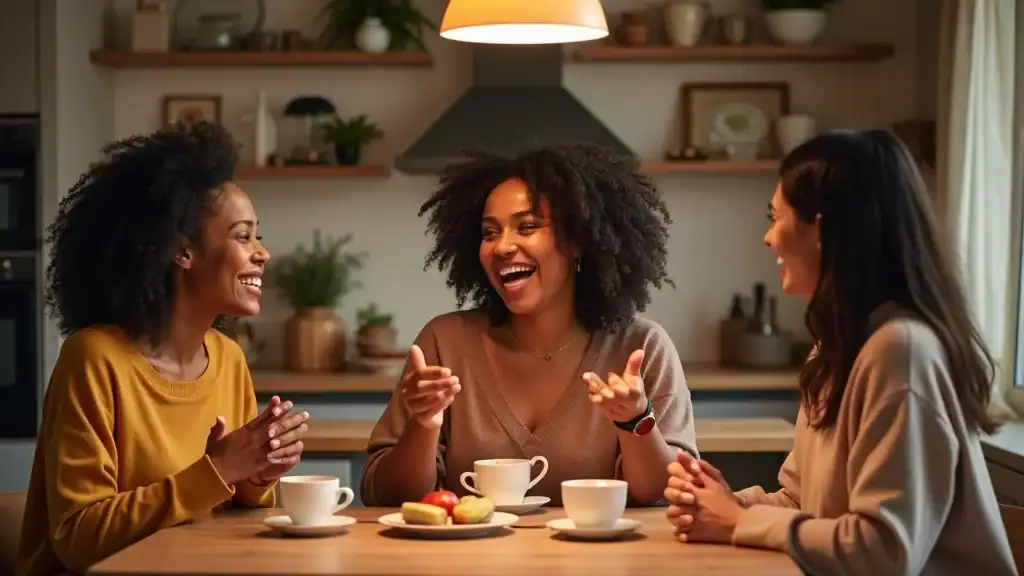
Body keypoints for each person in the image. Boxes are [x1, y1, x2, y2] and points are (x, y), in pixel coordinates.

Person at [663, 130, 1018, 575]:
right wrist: (724, 503)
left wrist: (739, 520)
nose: (767, 238)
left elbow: (884, 551)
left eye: (776, 217)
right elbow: (799, 502)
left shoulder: (900, 351)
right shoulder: (835, 347)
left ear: (822, 229)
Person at [16, 122, 309, 576]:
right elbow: (78, 539)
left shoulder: (227, 358)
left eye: (258, 235)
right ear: (181, 251)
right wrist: (216, 470)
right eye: (242, 235)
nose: (262, 253)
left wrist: (255, 471)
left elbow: (228, 502)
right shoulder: (94, 360)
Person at [360, 143, 697, 507]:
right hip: (468, 563)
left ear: (578, 242)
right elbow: (384, 496)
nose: (503, 246)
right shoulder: (444, 343)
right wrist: (422, 426)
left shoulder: (641, 347)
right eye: (490, 233)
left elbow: (664, 495)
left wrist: (635, 421)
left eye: (527, 226)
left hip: (602, 565)